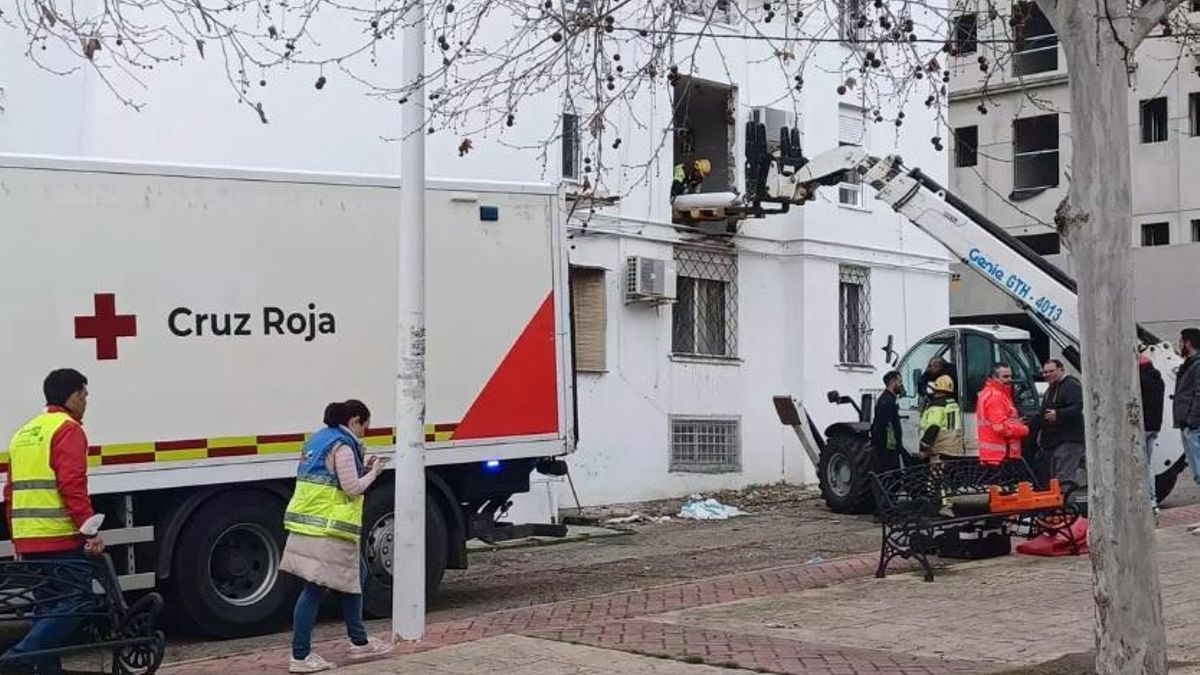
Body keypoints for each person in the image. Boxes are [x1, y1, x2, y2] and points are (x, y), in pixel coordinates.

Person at [2, 369, 106, 674]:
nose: (86, 401)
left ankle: (47, 670)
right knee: (78, 602)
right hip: (58, 535)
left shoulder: (25, 432)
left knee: (48, 606)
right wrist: (90, 530)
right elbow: (72, 484)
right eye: (84, 394)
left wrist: (17, 539)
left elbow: (10, 492)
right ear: (72, 396)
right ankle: (18, 658)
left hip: (29, 537)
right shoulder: (68, 429)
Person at [282, 400, 392, 673]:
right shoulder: (342, 446)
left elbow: (329, 477)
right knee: (314, 589)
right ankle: (300, 656)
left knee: (356, 577)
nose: (366, 431)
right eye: (365, 425)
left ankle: (359, 640)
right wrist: (375, 473)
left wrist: (361, 464)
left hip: (309, 524)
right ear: (355, 421)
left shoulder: (319, 440)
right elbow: (352, 489)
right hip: (329, 529)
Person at [918, 375, 965, 516]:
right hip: (953, 446)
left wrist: (924, 446)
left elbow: (933, 427)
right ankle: (943, 505)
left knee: (937, 477)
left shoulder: (936, 406)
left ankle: (940, 506)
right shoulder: (953, 403)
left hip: (940, 446)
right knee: (946, 476)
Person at [1033, 359, 1085, 488]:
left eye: (1051, 371)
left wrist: (1058, 414)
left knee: (1064, 478)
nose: (1047, 374)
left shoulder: (1071, 385)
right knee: (1056, 479)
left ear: (1061, 370)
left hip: (1069, 441)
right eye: (1045, 372)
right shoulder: (1051, 388)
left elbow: (1077, 407)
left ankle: (1064, 504)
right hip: (1056, 443)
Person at [1173, 328, 1200, 532]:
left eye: (1181, 341)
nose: (1179, 345)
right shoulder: (1189, 365)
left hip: (1194, 425)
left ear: (1188, 343)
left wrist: (1191, 419)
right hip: (1187, 425)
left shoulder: (1197, 365)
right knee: (1197, 473)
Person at [976, 362, 1029, 465]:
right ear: (994, 377)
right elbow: (1000, 427)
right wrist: (1025, 429)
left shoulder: (992, 393)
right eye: (1005, 377)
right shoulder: (996, 397)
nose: (1009, 379)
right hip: (1001, 455)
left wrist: (1018, 422)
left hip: (994, 455)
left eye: (1010, 376)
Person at [1139, 352, 1165, 514]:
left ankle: (1148, 499)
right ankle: (1152, 500)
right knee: (1148, 464)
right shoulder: (1158, 380)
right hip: (1154, 426)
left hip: (1142, 427)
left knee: (1141, 465)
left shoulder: (1140, 380)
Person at [870, 370, 907, 473]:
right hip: (887, 450)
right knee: (890, 477)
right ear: (892, 382)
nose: (901, 385)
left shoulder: (887, 400)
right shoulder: (886, 402)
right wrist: (894, 445)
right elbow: (883, 426)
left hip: (888, 448)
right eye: (900, 382)